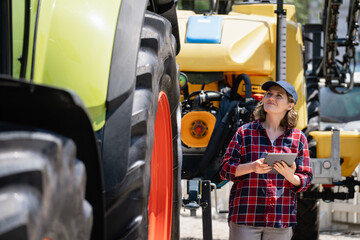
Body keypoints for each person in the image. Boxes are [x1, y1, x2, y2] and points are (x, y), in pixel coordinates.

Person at [220, 80, 312, 240]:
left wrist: (290, 176)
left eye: (278, 95)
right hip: (246, 216)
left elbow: (306, 179)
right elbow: (225, 169)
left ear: (290, 105)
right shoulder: (245, 133)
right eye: (269, 94)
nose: (271, 98)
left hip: (280, 217)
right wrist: (252, 167)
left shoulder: (298, 138)